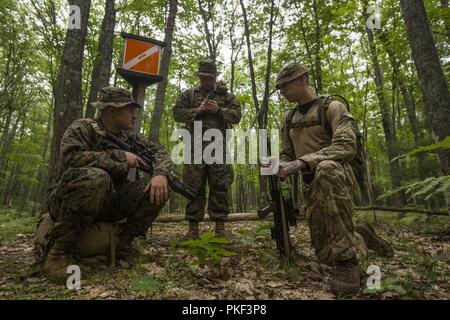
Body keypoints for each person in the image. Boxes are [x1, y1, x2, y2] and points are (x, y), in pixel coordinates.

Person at [275, 62, 393, 296]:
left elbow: (347, 146)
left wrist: (303, 161)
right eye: (279, 88)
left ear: (303, 79)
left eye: (285, 85)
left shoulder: (333, 107)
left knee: (326, 168)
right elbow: (288, 153)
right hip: (312, 187)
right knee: (325, 255)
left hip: (337, 178)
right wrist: (280, 164)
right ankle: (360, 235)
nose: (282, 91)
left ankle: (347, 264)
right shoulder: (289, 118)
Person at [41, 87, 175, 280]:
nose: (134, 116)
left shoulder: (130, 137)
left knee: (157, 187)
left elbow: (160, 151)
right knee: (97, 178)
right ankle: (58, 255)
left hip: (108, 200)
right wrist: (120, 157)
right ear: (112, 110)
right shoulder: (82, 128)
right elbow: (71, 158)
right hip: (66, 201)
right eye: (130, 110)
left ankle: (122, 247)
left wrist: (161, 174)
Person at [173, 58, 241, 239]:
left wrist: (219, 110)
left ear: (215, 77)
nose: (207, 81)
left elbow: (237, 116)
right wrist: (198, 110)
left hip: (218, 147)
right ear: (199, 76)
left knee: (220, 185)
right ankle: (193, 229)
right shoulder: (188, 95)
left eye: (210, 78)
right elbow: (177, 113)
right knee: (193, 186)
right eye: (203, 77)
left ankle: (220, 229)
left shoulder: (226, 96)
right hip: (194, 147)